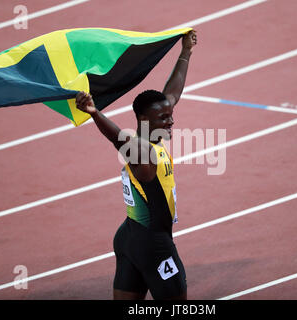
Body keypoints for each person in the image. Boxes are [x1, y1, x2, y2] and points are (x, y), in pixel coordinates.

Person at [75, 30, 197, 300]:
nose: (171, 121)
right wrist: (95, 113)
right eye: (164, 117)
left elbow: (172, 94)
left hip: (130, 236)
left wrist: (185, 52)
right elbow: (117, 138)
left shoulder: (151, 136)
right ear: (144, 119)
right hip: (153, 244)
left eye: (170, 115)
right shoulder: (140, 149)